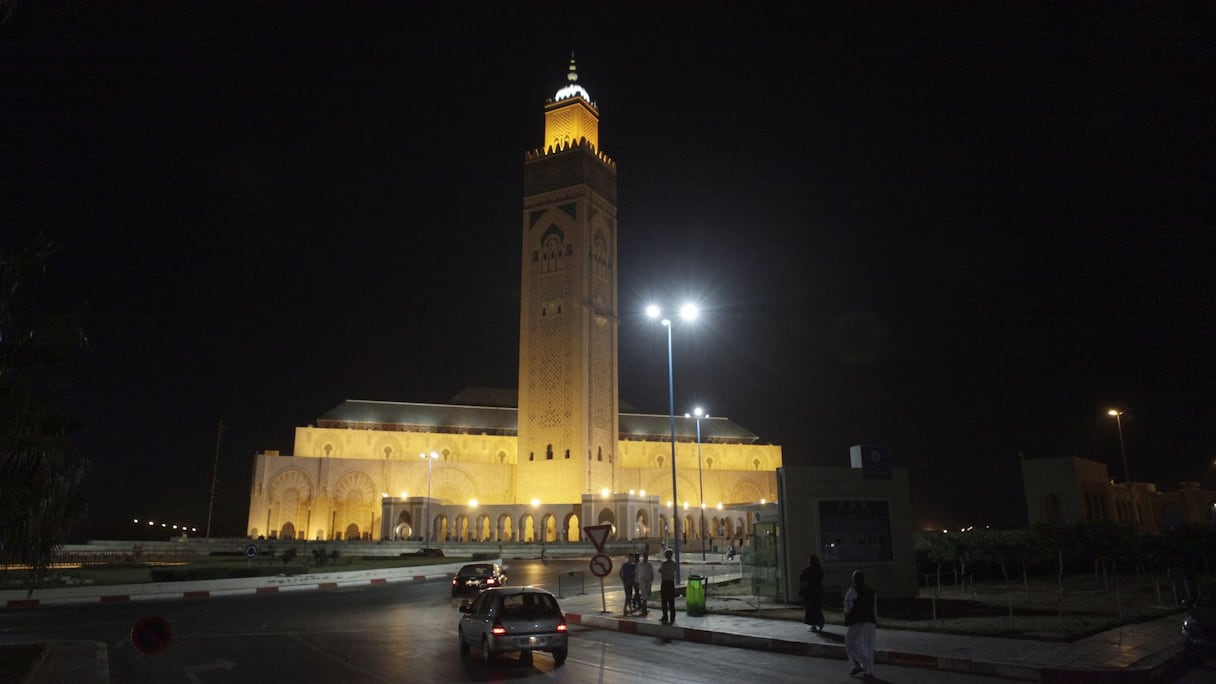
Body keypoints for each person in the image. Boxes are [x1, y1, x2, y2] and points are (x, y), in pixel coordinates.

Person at [843, 570, 877, 678]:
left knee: (850, 643)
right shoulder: (871, 591)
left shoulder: (853, 590)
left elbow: (848, 607)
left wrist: (847, 612)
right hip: (870, 621)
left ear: (854, 579)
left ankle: (861, 664)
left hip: (857, 621)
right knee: (868, 646)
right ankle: (869, 671)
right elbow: (874, 608)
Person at [800, 555, 825, 632]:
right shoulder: (819, 570)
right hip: (818, 591)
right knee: (817, 608)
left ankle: (813, 624)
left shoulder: (808, 570)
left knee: (811, 609)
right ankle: (820, 622)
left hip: (810, 592)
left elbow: (801, 577)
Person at [658, 549, 677, 624]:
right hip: (671, 583)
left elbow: (660, 570)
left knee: (664, 601)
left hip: (665, 583)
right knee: (671, 601)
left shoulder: (664, 564)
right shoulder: (674, 564)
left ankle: (665, 616)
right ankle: (672, 617)